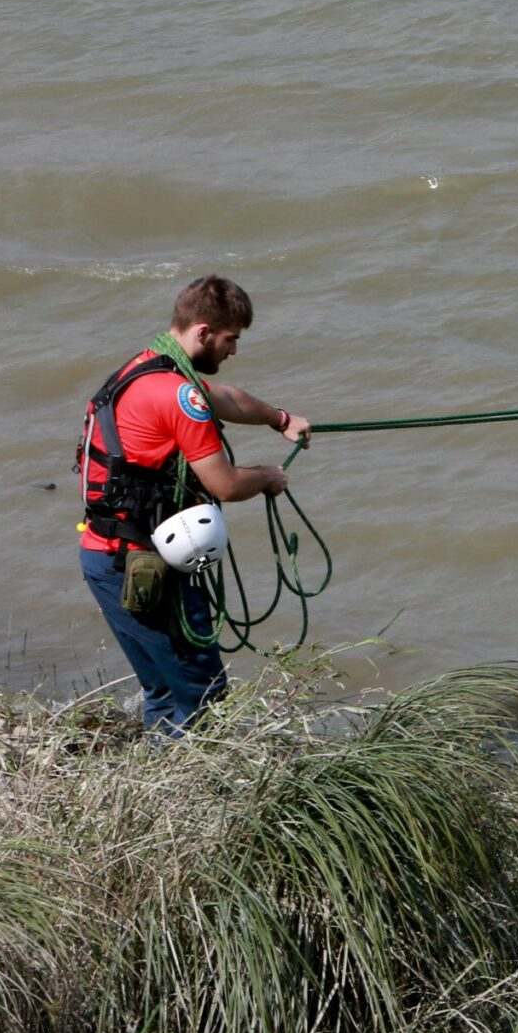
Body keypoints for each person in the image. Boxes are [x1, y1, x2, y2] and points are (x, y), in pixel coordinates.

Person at [74, 275, 310, 733]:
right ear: (202, 332)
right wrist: (266, 477)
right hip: (144, 569)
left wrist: (279, 419)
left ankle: (157, 784)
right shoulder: (179, 396)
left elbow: (223, 397)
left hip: (104, 558)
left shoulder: (145, 369)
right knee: (202, 694)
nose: (233, 351)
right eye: (230, 339)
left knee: (164, 689)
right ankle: (202, 793)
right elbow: (224, 485)